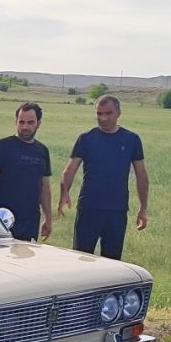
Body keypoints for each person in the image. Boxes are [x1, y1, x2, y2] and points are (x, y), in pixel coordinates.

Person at [59, 94, 149, 260]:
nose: (103, 118)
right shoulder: (86, 139)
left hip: (117, 210)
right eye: (99, 114)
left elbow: (141, 175)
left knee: (112, 262)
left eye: (108, 113)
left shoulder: (131, 139)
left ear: (118, 113)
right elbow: (69, 170)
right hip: (89, 208)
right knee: (81, 258)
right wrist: (64, 193)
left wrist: (143, 208)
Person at [0, 102, 52, 241]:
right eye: (21, 122)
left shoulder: (42, 151)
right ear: (16, 122)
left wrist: (48, 218)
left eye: (30, 122)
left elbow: (45, 187)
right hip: (3, 217)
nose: (25, 127)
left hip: (31, 221)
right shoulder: (2, 147)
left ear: (38, 123)